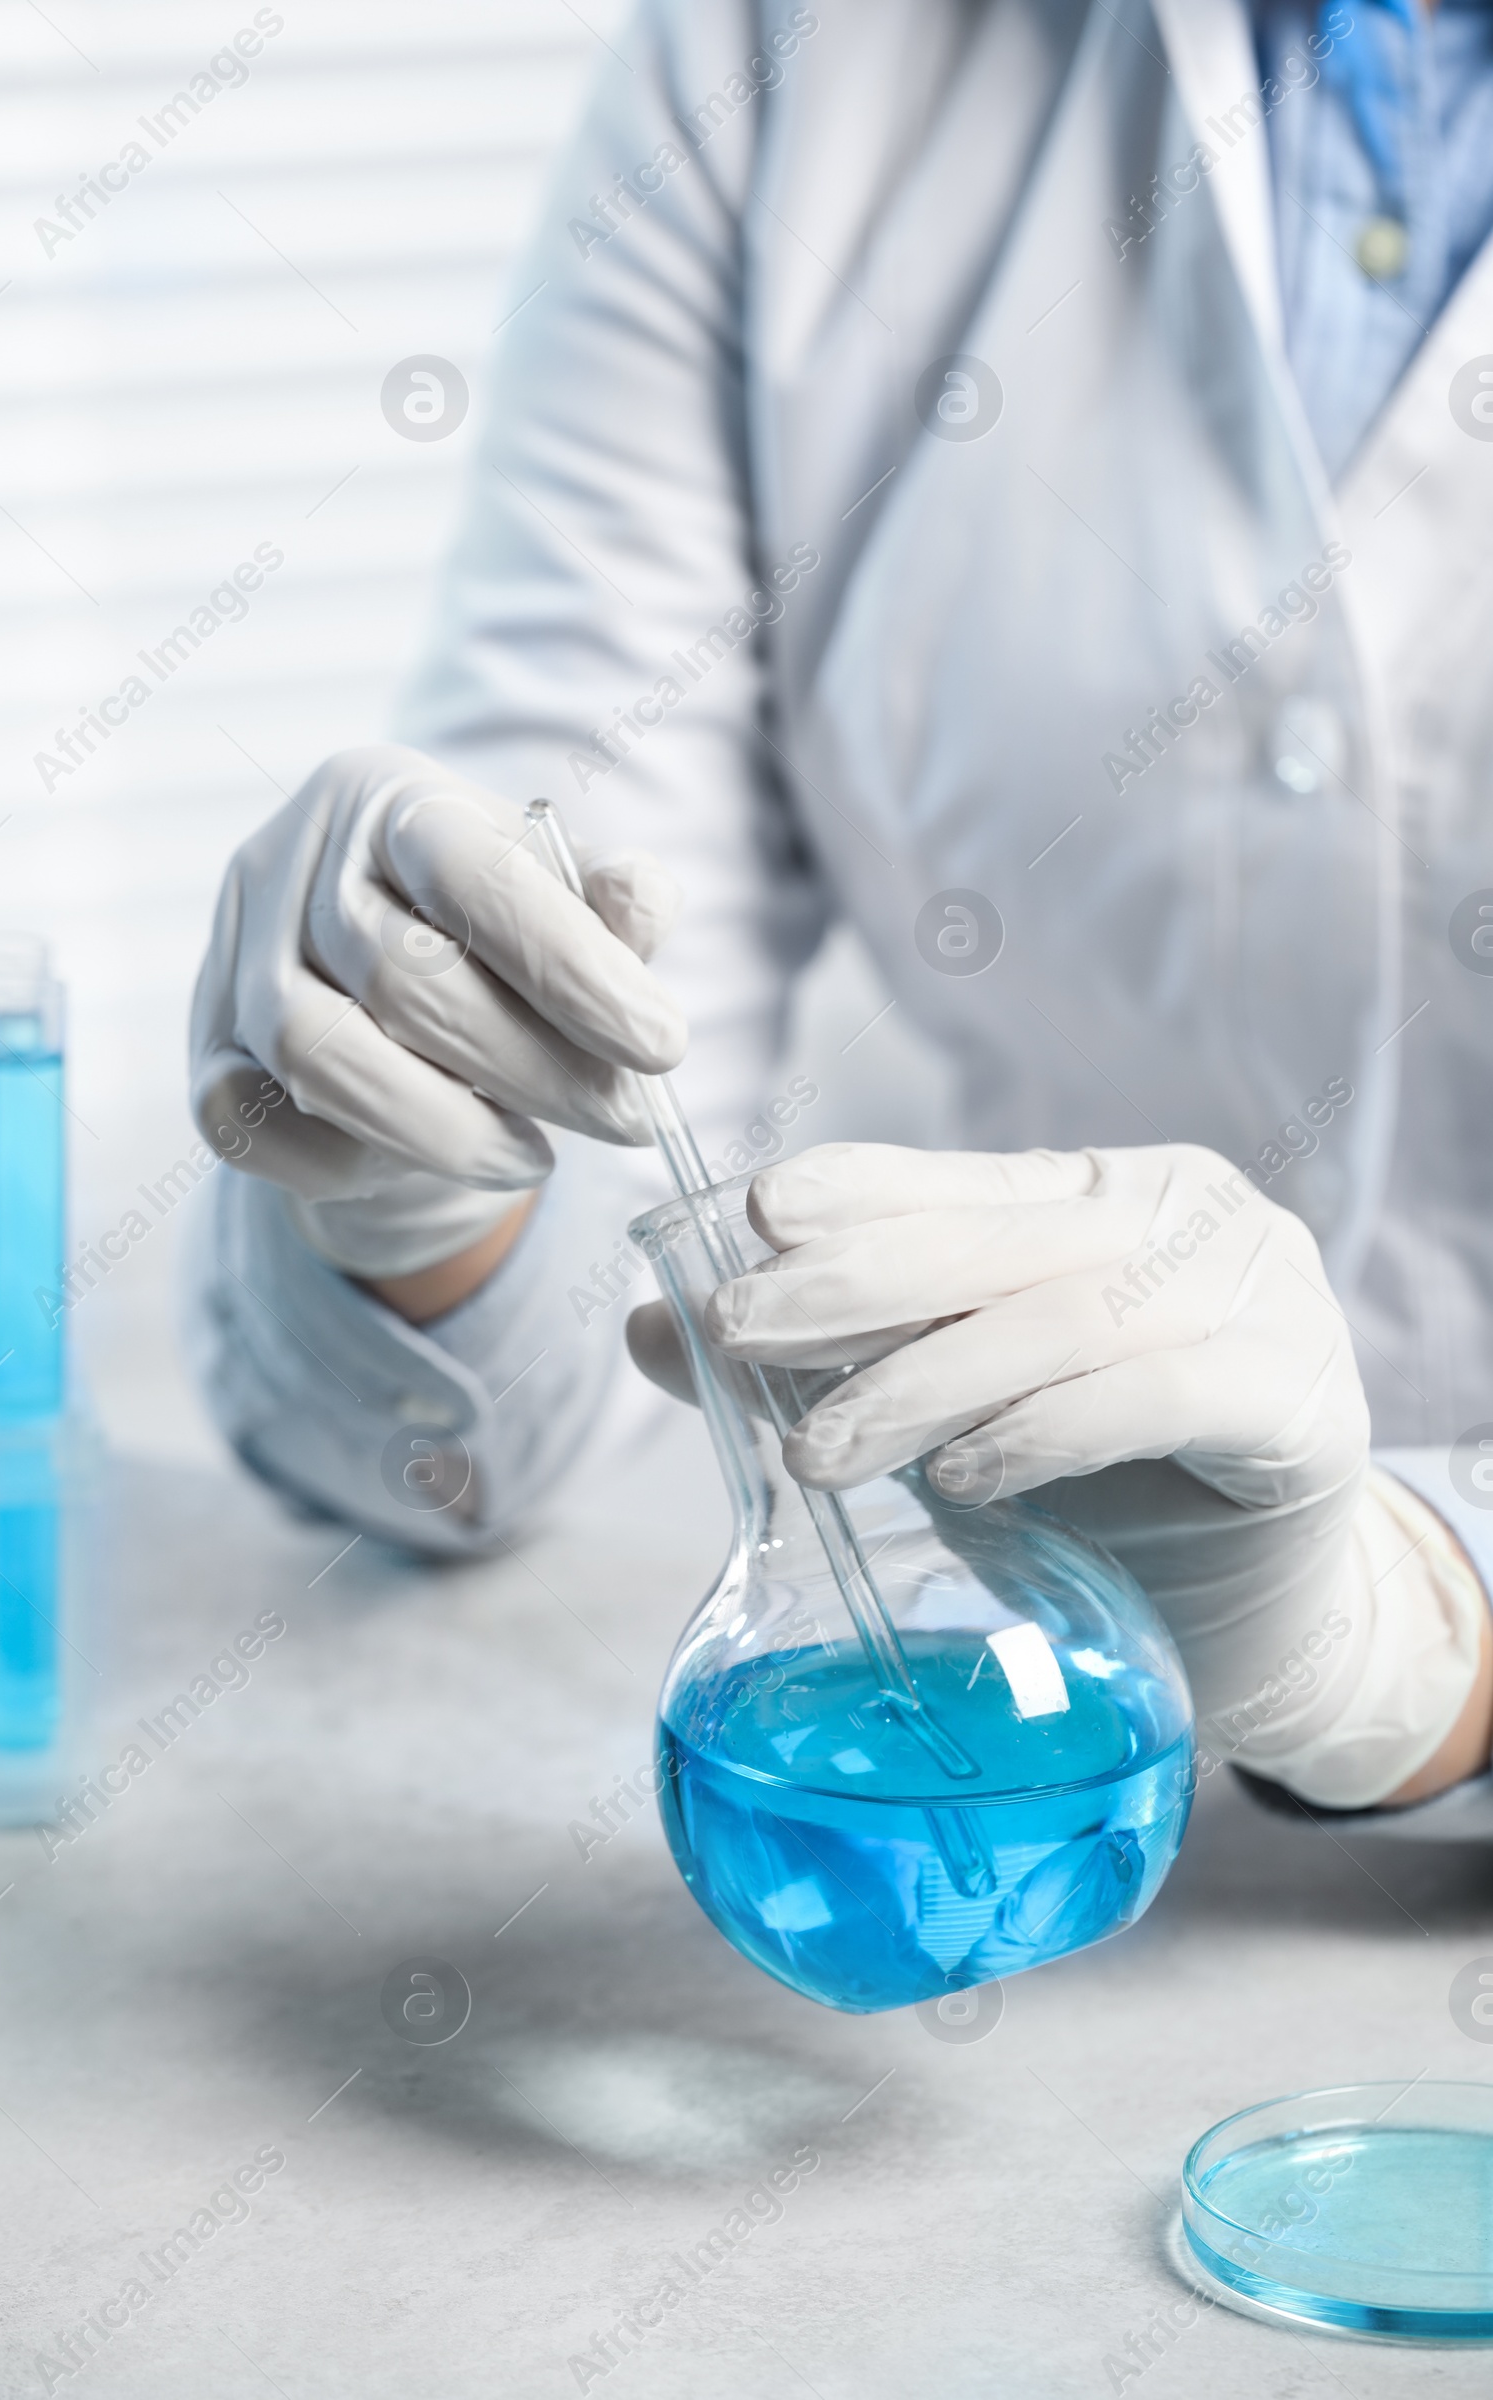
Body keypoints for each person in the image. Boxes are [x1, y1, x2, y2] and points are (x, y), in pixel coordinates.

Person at [188, 0, 1493, 1834]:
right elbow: (483, 1403)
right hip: (1046, 1845)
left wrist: (1426, 1630)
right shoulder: (785, 48)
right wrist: (414, 1169)